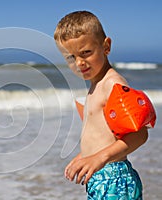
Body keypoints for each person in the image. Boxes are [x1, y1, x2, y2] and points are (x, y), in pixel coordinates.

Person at [54, 11, 148, 199]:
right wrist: (85, 155)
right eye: (70, 58)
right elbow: (104, 135)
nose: (79, 63)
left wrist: (99, 157)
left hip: (115, 180)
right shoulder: (95, 86)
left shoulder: (112, 85)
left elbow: (140, 135)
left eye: (86, 53)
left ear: (106, 46)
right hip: (102, 179)